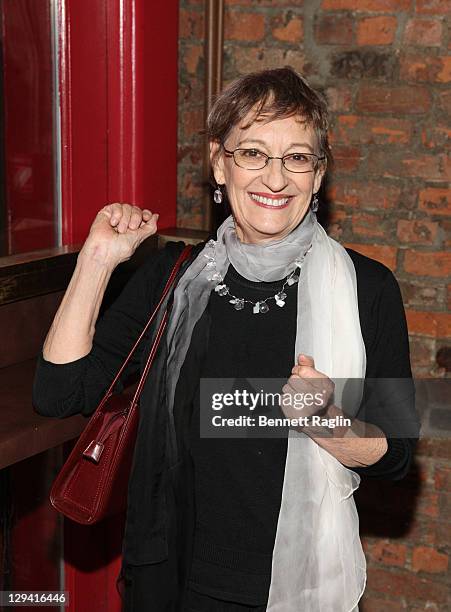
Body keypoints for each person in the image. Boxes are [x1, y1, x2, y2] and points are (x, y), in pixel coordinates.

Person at [33, 67, 418, 611]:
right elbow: (60, 393)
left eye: (297, 157)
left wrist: (326, 420)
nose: (276, 178)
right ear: (219, 161)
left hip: (294, 585)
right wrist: (96, 261)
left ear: (319, 172)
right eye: (253, 153)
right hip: (171, 578)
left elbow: (397, 453)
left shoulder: (367, 288)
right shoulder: (173, 277)